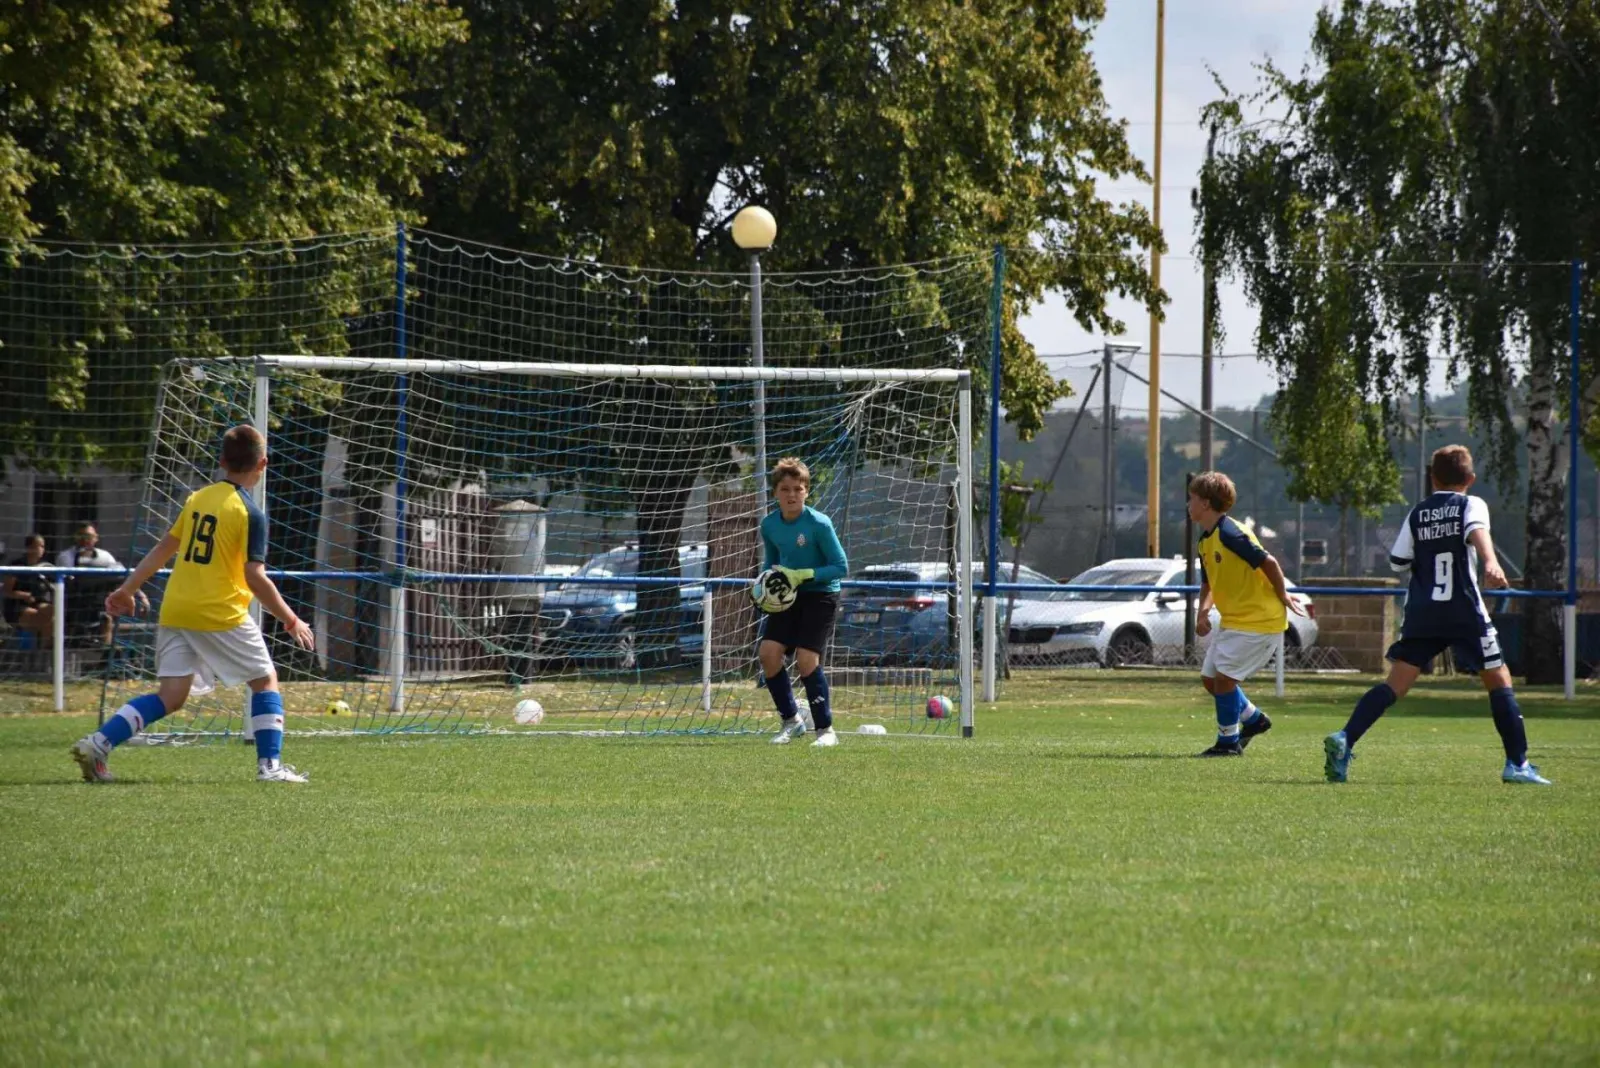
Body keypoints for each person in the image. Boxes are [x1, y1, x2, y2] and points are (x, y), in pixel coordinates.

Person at [69, 425, 315, 784]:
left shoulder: (198, 498)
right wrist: (291, 620)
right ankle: (270, 767)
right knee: (264, 681)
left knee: (171, 696)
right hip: (219, 612)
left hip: (177, 609)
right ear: (263, 463)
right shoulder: (250, 513)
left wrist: (127, 589)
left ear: (222, 461)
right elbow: (254, 576)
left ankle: (98, 743)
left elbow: (163, 548)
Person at [1325, 445, 1551, 784]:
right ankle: (1517, 764)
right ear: (1470, 479)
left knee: (1395, 684)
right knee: (1498, 679)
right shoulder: (1471, 504)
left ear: (1432, 478)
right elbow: (1477, 531)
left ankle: (1345, 737)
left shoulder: (1417, 512)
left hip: (1423, 612)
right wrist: (1490, 562)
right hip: (1463, 610)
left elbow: (1397, 562)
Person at [1187, 471, 1303, 757]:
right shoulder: (1205, 541)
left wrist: (1283, 594)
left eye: (1192, 498)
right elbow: (1209, 583)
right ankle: (1254, 719)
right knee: (1210, 680)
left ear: (1205, 503)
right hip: (1236, 621)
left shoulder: (1230, 533)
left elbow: (1269, 562)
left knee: (1225, 680)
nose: (1188, 504)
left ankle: (1228, 743)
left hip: (1259, 620)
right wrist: (1203, 613)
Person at [758, 457, 849, 748]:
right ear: (775, 493)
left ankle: (825, 730)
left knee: (806, 659)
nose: (792, 495)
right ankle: (792, 722)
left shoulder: (819, 523)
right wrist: (764, 587)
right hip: (790, 595)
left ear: (806, 491)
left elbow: (841, 566)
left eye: (798, 489)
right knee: (768, 654)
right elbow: (771, 564)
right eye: (785, 489)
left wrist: (805, 574)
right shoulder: (769, 525)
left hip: (821, 594)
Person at [55, 522, 141, 643]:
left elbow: (122, 575)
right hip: (74, 604)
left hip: (100, 602)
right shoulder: (66, 556)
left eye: (89, 536)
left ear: (96, 538)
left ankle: (105, 650)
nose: (85, 540)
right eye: (81, 536)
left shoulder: (105, 556)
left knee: (107, 618)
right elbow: (71, 581)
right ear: (75, 537)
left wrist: (141, 595)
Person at [3, 534, 55, 647]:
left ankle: (46, 650)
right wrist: (24, 595)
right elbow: (6, 590)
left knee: (53, 612)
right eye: (38, 546)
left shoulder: (46, 567)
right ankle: (44, 652)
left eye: (43, 546)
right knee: (46, 622)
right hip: (17, 606)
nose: (41, 549)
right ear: (29, 548)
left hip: (38, 603)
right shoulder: (17, 565)